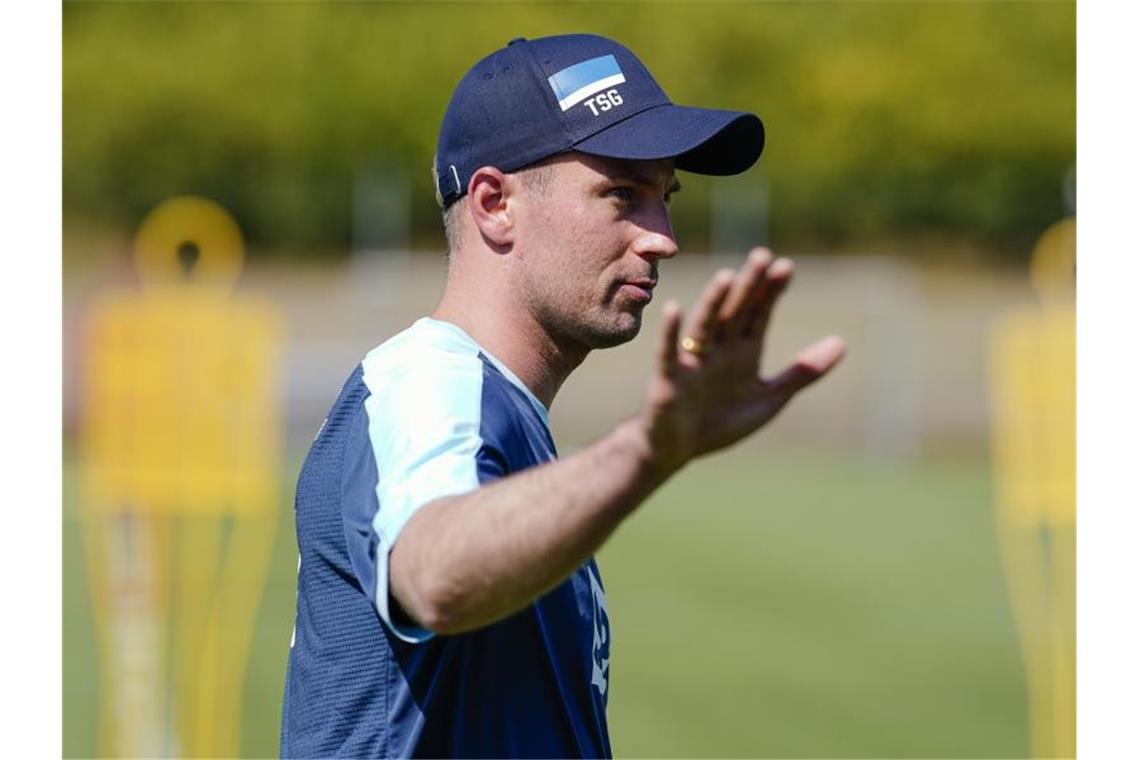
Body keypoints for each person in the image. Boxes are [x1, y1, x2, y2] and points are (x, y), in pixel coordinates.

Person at [280, 33, 846, 758]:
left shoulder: (505, 412)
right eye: (622, 194)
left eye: (665, 197)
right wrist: (649, 449)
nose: (663, 238)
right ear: (495, 204)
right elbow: (433, 575)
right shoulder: (430, 379)